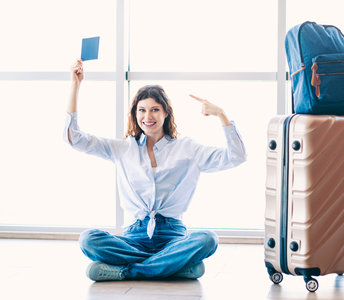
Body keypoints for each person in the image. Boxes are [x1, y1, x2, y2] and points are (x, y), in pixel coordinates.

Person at [65, 59, 247, 281]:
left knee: (208, 239)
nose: (147, 117)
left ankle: (127, 271)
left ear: (166, 113)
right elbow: (75, 138)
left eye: (154, 110)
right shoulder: (122, 148)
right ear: (135, 113)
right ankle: (171, 266)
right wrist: (75, 85)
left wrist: (221, 115)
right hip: (133, 236)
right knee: (88, 239)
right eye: (142, 110)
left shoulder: (187, 148)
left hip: (173, 236)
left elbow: (236, 156)